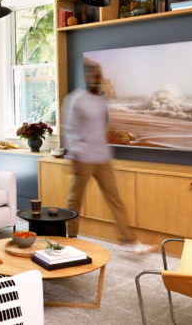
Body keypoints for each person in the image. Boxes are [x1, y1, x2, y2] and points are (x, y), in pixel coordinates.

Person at [61, 58, 157, 254]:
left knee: (116, 199)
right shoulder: (76, 99)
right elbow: (69, 130)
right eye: (94, 75)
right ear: (85, 77)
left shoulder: (102, 99)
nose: (97, 79)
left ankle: (130, 242)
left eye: (99, 75)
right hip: (83, 158)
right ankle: (70, 238)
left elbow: (101, 126)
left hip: (103, 158)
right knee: (75, 200)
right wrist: (75, 156)